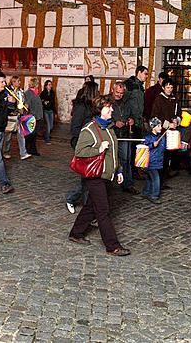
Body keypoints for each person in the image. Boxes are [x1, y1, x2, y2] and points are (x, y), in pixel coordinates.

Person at [68, 94, 130, 257]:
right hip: (94, 175)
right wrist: (98, 149)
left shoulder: (109, 128)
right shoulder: (89, 129)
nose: (111, 109)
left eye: (111, 107)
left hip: (107, 175)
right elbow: (79, 152)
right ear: (99, 110)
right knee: (103, 210)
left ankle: (76, 233)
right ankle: (112, 246)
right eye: (108, 107)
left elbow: (114, 152)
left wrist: (119, 170)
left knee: (91, 207)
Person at [66, 81, 99, 213]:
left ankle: (86, 205)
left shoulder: (92, 107)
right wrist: (84, 142)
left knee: (89, 176)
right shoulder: (81, 107)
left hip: (91, 144)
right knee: (87, 176)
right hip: (82, 144)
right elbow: (75, 129)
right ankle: (75, 200)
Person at [151, 77, 180, 188]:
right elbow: (155, 116)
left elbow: (179, 113)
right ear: (163, 88)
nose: (169, 89)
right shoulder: (159, 99)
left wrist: (177, 120)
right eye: (167, 87)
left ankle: (163, 180)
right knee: (160, 157)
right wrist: (167, 124)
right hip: (161, 132)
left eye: (171, 87)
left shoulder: (174, 99)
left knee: (168, 157)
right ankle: (158, 182)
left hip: (171, 133)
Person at [111, 81, 138, 194]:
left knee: (126, 160)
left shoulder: (126, 103)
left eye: (121, 93)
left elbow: (131, 116)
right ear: (112, 90)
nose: (119, 95)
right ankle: (107, 184)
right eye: (117, 92)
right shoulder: (106, 102)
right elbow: (99, 117)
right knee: (110, 160)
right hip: (111, 135)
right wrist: (114, 123)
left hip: (124, 135)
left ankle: (128, 184)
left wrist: (131, 120)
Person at [141, 117, 166, 203]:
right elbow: (142, 148)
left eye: (161, 125)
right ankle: (154, 196)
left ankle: (145, 192)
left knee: (149, 178)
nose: (161, 127)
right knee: (156, 178)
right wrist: (152, 145)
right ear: (153, 127)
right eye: (158, 126)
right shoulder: (148, 137)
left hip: (158, 162)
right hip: (150, 162)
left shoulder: (161, 137)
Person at [124, 65, 149, 135]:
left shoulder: (140, 86)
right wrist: (128, 117)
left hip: (138, 120)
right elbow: (123, 101)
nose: (147, 76)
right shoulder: (129, 84)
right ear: (139, 73)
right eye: (145, 74)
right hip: (130, 121)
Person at [23, 77, 43, 156]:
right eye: (38, 83)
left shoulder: (35, 92)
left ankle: (33, 149)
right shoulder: (28, 93)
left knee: (34, 135)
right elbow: (27, 106)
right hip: (32, 117)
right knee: (30, 135)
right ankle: (27, 149)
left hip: (37, 116)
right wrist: (31, 114)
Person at [40, 79, 56, 144]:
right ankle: (47, 139)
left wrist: (55, 111)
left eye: (50, 85)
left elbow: (53, 101)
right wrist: (44, 101)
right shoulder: (43, 92)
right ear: (46, 86)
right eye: (48, 85)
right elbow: (41, 99)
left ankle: (47, 134)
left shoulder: (52, 92)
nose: (50, 86)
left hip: (51, 110)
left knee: (51, 126)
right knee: (48, 126)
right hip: (46, 110)